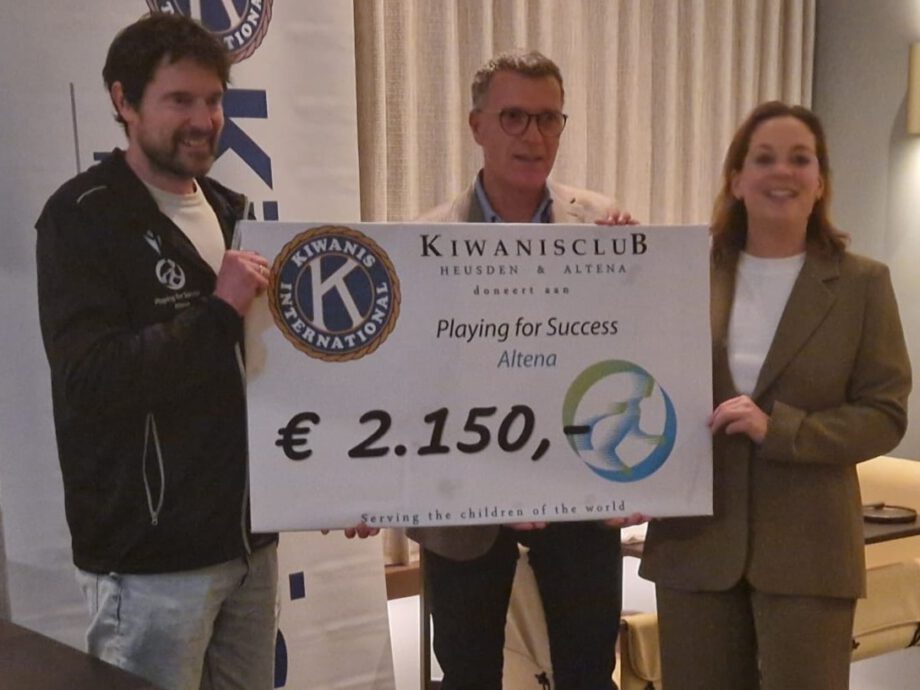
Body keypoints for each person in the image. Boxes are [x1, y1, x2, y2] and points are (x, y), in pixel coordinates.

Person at [35, 14, 278, 690]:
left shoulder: (234, 211)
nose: (204, 120)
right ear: (124, 101)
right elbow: (90, 379)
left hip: (250, 546)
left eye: (214, 100)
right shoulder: (83, 217)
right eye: (180, 100)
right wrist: (218, 312)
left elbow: (271, 373)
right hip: (149, 565)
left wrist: (330, 482)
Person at [640, 101, 912, 690]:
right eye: (764, 158)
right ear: (737, 180)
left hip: (810, 553)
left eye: (800, 158)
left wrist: (780, 429)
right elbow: (637, 381)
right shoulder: (680, 273)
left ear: (820, 182)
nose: (782, 171)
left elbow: (885, 414)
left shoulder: (863, 283)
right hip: (695, 549)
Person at [408, 50, 639, 690]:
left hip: (579, 481)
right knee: (468, 674)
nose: (533, 136)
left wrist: (634, 271)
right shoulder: (422, 241)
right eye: (513, 117)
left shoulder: (604, 225)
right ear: (477, 125)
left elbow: (634, 352)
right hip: (464, 496)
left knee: (590, 673)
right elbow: (411, 381)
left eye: (548, 118)